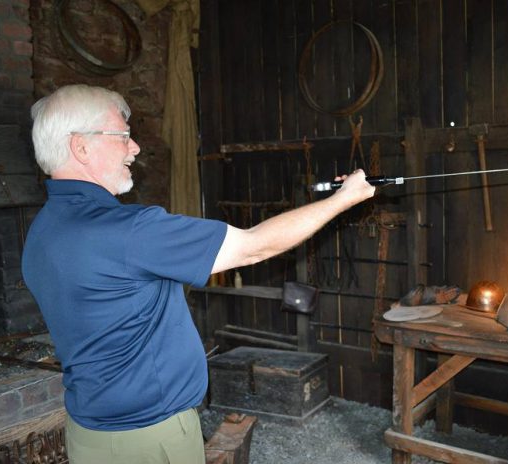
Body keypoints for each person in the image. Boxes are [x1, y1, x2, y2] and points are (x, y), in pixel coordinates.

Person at [21, 84, 375, 463]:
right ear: (81, 147)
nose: (135, 148)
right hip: (149, 438)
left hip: (88, 434)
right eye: (123, 137)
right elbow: (254, 245)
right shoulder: (129, 230)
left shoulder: (41, 230)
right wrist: (343, 200)